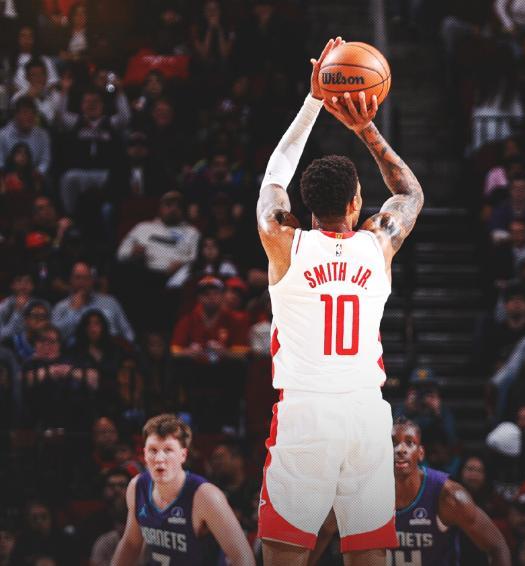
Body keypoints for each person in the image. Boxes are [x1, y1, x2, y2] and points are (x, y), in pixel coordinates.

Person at [255, 37, 423, 566]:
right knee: (367, 554)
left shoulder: (283, 241)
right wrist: (365, 127)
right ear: (357, 203)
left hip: (305, 414)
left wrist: (313, 101)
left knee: (284, 555)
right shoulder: (378, 244)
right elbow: (410, 194)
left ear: (305, 206)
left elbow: (274, 175)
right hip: (365, 415)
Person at [309, 418, 510, 565]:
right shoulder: (359, 491)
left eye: (409, 442)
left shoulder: (448, 496)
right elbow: (324, 531)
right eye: (393, 443)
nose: (400, 449)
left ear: (420, 453)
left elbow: (497, 546)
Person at [111, 413, 255, 565]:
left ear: (183, 455)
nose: (159, 459)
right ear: (144, 454)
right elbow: (131, 544)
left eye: (168, 450)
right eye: (153, 450)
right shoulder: (137, 486)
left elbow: (243, 558)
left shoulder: (205, 495)